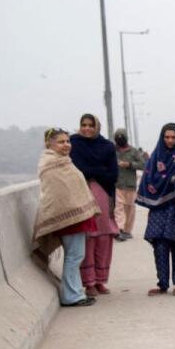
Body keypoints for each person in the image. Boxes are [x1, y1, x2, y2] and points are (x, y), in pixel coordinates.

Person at [32, 128, 100, 307]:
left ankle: (75, 293)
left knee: (75, 255)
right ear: (49, 144)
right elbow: (57, 192)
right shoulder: (51, 163)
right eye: (61, 142)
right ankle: (72, 296)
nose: (66, 145)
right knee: (74, 256)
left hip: (72, 215)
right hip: (67, 217)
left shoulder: (61, 160)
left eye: (68, 141)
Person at [136, 123, 175, 296]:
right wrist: (166, 180)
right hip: (157, 208)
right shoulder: (156, 156)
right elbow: (149, 177)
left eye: (173, 137)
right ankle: (162, 283)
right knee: (159, 245)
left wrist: (170, 180)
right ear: (162, 137)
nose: (170, 140)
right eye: (167, 137)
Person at [69, 114, 119, 296]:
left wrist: (92, 172)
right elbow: (75, 170)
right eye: (83, 125)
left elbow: (113, 175)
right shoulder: (73, 144)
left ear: (97, 127)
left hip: (104, 196)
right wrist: (99, 170)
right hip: (82, 195)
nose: (87, 128)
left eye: (91, 125)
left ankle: (100, 280)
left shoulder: (107, 146)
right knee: (88, 237)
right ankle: (88, 282)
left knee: (104, 238)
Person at [113, 129, 145, 241]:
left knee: (130, 208)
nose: (120, 140)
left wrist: (129, 164)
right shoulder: (113, 150)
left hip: (130, 184)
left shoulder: (133, 151)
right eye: (117, 138)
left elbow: (143, 164)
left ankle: (127, 230)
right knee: (118, 208)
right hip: (117, 184)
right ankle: (119, 229)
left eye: (122, 138)